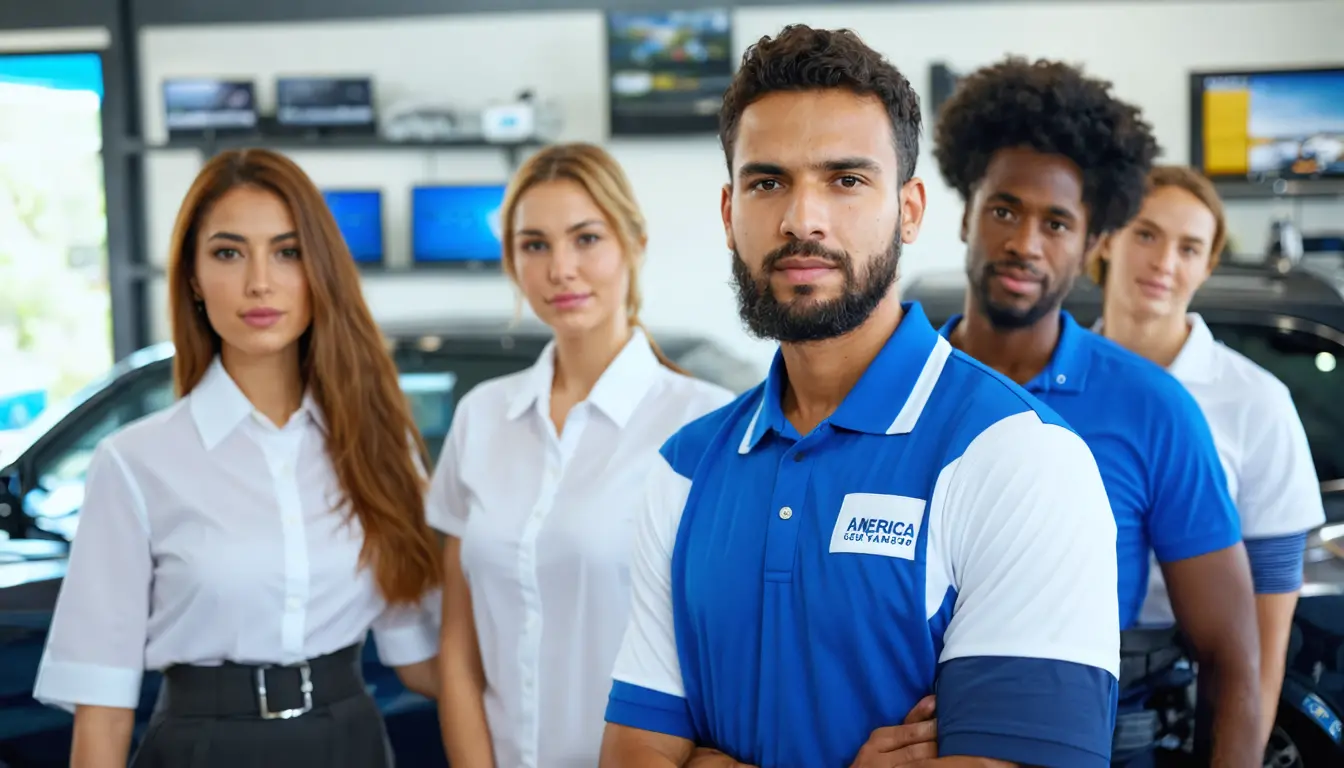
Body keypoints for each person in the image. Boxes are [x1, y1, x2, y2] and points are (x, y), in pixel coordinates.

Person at [599, 25, 1122, 768]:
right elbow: (630, 759)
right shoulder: (683, 471)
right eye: (767, 181)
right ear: (729, 214)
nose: (801, 219)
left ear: (910, 210)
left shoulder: (1020, 459)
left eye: (846, 180)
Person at [32, 148, 442, 768]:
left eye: (287, 252)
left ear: (320, 272)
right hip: (203, 749)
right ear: (193, 277)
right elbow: (103, 704)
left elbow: (419, 661)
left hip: (351, 743)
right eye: (229, 252)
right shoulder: (135, 462)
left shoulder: (381, 447)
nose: (260, 281)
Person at [930, 59, 1261, 767]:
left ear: (1090, 246)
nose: (1024, 242)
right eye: (1004, 210)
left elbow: (1232, 660)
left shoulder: (1152, 410)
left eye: (1057, 222)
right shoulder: (899, 388)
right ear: (966, 213)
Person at [427, 142, 735, 768]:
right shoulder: (481, 417)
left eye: (586, 238)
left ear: (634, 244)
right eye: (534, 245)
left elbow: (731, 652)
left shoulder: (704, 422)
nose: (560, 269)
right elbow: (459, 656)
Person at [1090, 165, 1324, 750]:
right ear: (1107, 238)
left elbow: (1266, 613)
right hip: (1054, 687)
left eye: (1189, 247)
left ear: (1206, 265)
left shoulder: (1256, 401)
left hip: (1181, 699)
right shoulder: (1055, 377)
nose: (1165, 261)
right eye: (1146, 234)